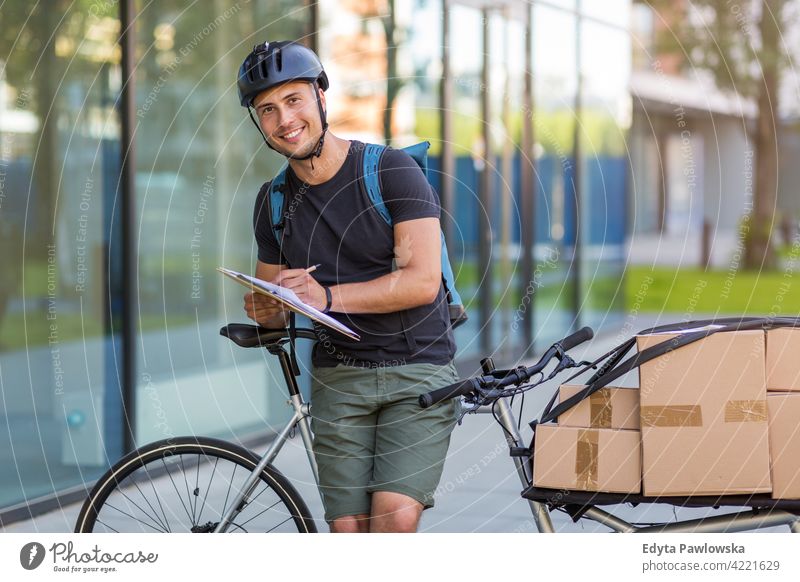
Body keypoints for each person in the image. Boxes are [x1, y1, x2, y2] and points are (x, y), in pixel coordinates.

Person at [237, 40, 459, 533]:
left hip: (417, 370)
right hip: (338, 378)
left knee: (394, 520)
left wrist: (326, 297)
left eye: (294, 100)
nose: (284, 120)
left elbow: (422, 283)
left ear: (320, 97)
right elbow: (277, 304)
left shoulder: (390, 171)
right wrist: (268, 306)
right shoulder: (272, 202)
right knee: (347, 533)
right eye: (267, 110)